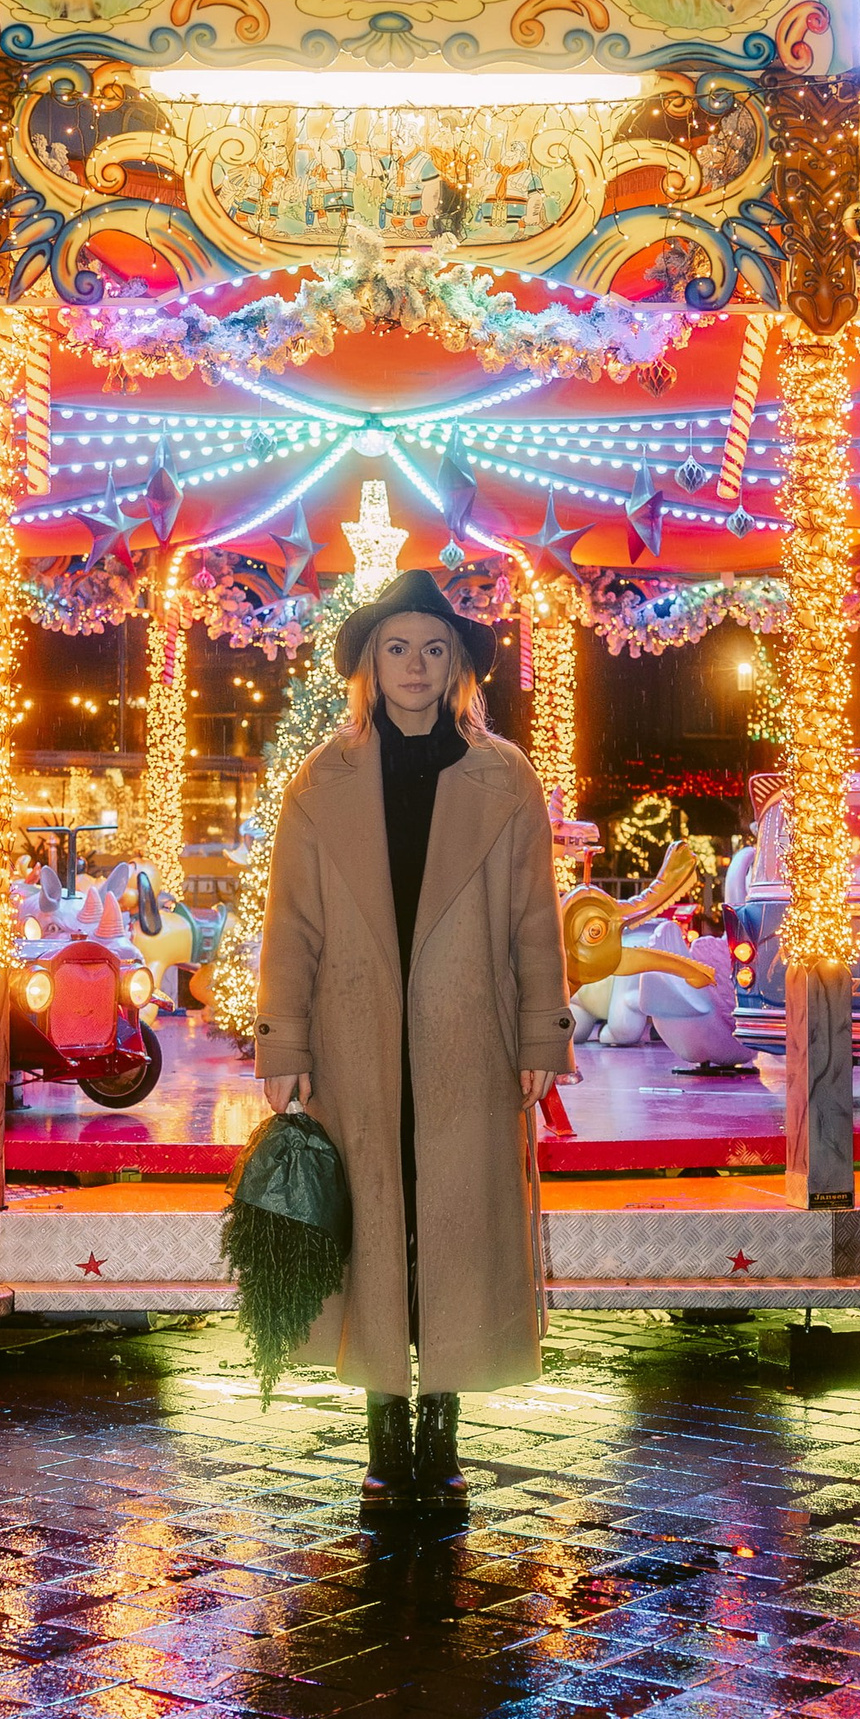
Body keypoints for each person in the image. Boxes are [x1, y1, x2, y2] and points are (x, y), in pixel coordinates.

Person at [255, 569, 574, 1507]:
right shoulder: (322, 781)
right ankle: (384, 1433)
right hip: (357, 1047)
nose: (416, 666)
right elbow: (293, 924)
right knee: (377, 1234)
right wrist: (285, 1044)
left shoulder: (504, 778)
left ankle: (443, 1428)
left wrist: (537, 1037)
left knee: (454, 1236)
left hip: (465, 1045)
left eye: (435, 649)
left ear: (457, 668)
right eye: (397, 647)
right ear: (368, 664)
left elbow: (532, 923)